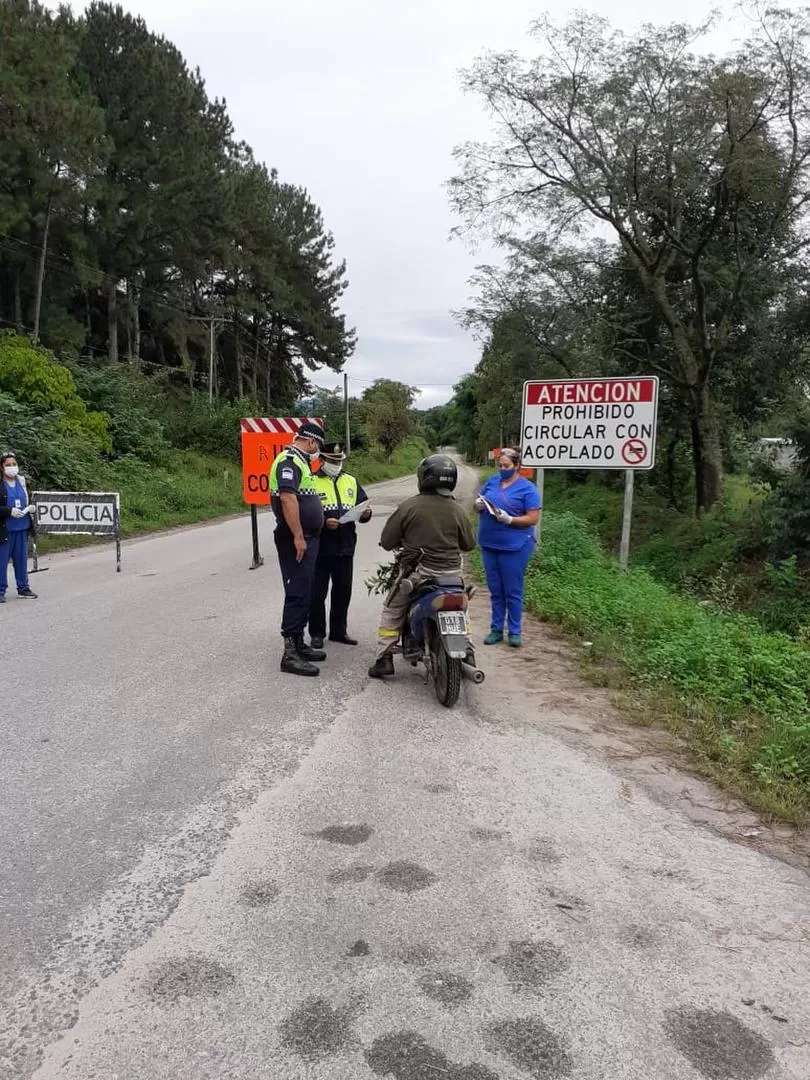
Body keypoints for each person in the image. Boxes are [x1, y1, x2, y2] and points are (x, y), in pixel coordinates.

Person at [369, 453, 476, 679]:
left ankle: (384, 656)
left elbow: (388, 541)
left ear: (423, 478)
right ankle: (468, 651)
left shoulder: (409, 507)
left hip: (419, 574)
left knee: (393, 608)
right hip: (452, 576)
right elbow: (469, 545)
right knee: (463, 611)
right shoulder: (458, 510)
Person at [269, 421, 328, 676]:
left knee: (305, 589)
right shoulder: (288, 461)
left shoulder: (302, 462)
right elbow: (287, 498)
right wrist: (298, 536)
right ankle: (290, 654)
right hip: (296, 538)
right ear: (311, 441)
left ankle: (300, 643)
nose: (318, 451)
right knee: (297, 591)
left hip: (307, 537)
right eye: (318, 446)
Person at [308, 442, 373, 649]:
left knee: (343, 590)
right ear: (323, 460)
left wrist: (366, 514)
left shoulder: (351, 481)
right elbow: (306, 515)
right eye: (333, 461)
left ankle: (338, 630)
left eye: (339, 461)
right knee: (317, 592)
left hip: (345, 545)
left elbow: (363, 506)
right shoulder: (311, 481)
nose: (337, 464)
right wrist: (323, 523)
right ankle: (317, 632)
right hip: (320, 546)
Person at [475, 447, 541, 647]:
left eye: (507, 466)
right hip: (490, 542)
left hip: (515, 545)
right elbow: (480, 500)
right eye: (500, 465)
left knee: (512, 590)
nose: (502, 469)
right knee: (495, 589)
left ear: (517, 466)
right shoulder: (493, 482)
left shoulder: (527, 489)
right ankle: (496, 629)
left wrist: (510, 519)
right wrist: (477, 505)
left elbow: (533, 518)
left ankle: (514, 631)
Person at [0, 452, 38, 603]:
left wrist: (30, 508)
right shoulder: (0, 485)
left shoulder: (22, 482)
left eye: (14, 464)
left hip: (22, 527)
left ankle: (23, 588)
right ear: (2, 468)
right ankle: (0, 590)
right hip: (6, 529)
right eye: (8, 465)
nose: (12, 467)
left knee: (21, 560)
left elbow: (27, 498)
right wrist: (9, 511)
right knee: (2, 561)